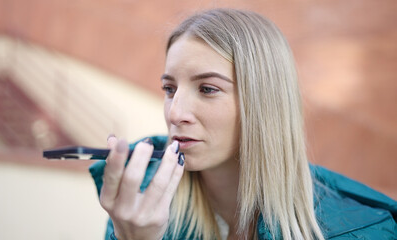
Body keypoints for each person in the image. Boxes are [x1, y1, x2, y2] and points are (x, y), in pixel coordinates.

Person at [89, 8, 397, 240]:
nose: (175, 113)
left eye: (207, 89)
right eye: (170, 90)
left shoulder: (362, 230)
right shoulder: (138, 207)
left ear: (263, 104)